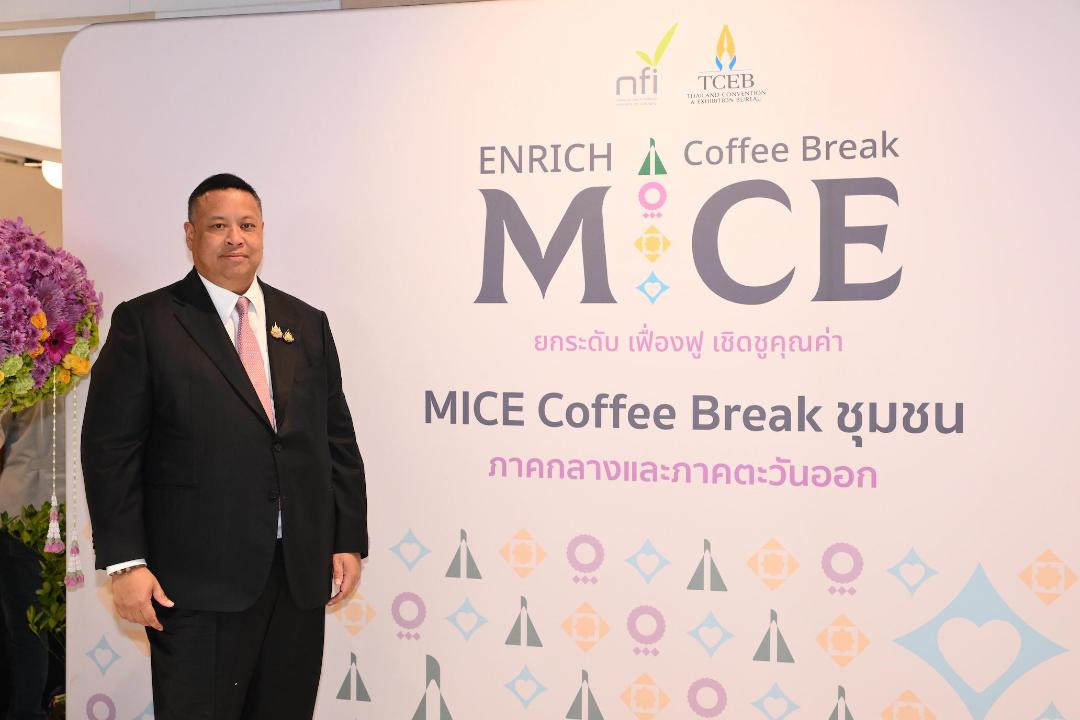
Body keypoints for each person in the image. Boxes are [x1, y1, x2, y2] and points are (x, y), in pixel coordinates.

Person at [82, 173, 368, 720]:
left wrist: (347, 537)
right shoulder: (146, 322)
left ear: (262, 233)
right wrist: (125, 563)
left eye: (247, 225)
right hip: (193, 584)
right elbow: (109, 449)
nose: (235, 238)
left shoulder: (306, 323)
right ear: (190, 235)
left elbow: (336, 438)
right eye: (218, 226)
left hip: (297, 574)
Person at [0, 402, 63, 720]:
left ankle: (30, 711)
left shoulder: (14, 369)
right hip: (83, 511)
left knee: (27, 630)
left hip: (23, 508)